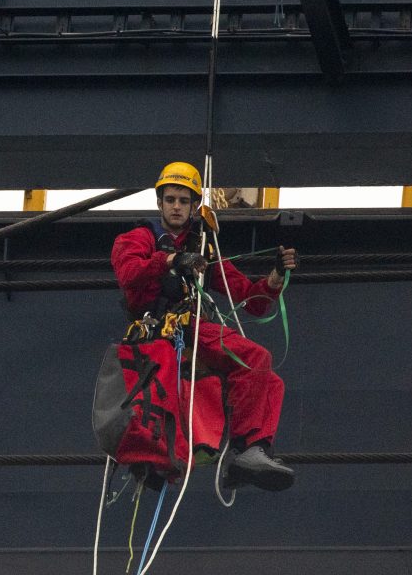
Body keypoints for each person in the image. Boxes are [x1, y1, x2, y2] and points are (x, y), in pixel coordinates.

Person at [110, 161, 299, 491]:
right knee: (255, 357)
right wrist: (170, 260)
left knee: (271, 382)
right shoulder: (140, 238)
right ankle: (245, 450)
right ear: (159, 202)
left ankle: (250, 455)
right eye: (170, 200)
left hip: (191, 331)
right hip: (167, 330)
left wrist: (274, 279)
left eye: (184, 201)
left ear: (195, 205)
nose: (177, 207)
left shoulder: (202, 248)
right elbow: (128, 272)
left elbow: (250, 298)